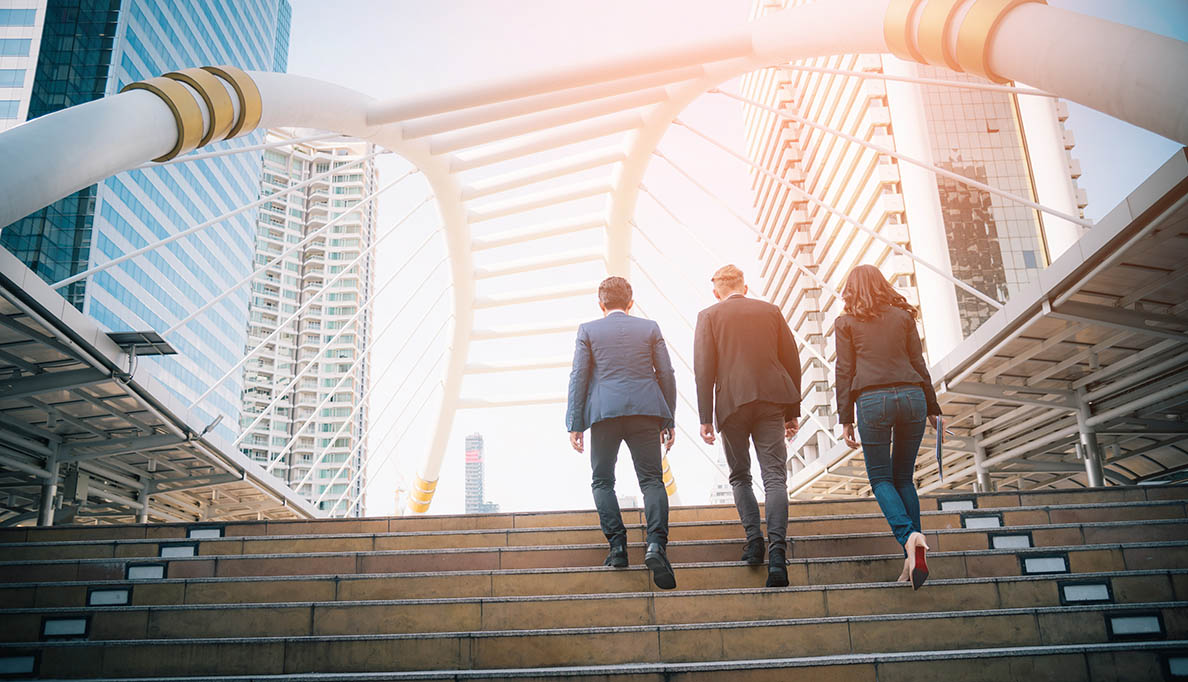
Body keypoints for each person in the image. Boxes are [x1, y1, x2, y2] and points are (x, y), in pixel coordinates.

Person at [834, 264, 942, 590]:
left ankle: (910, 538)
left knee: (881, 479)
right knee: (903, 478)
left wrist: (845, 418)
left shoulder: (845, 322)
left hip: (872, 401)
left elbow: (844, 370)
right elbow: (919, 364)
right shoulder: (903, 317)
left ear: (851, 289)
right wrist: (933, 408)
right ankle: (911, 559)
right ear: (883, 285)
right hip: (912, 397)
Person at [566, 276, 678, 590]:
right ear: (631, 302)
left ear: (600, 303)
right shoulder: (650, 328)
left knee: (602, 480)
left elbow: (579, 377)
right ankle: (656, 545)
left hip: (604, 414)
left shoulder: (588, 330)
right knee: (652, 480)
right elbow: (666, 373)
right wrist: (668, 417)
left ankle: (617, 547)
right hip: (646, 412)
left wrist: (575, 423)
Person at [694, 264, 801, 588]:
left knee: (740, 475)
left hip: (732, 404)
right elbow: (791, 359)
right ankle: (778, 555)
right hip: (771, 401)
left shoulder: (708, 316)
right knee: (774, 477)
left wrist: (705, 418)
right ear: (746, 286)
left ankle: (754, 542)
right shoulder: (770, 311)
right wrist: (791, 412)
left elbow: (704, 370)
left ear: (716, 291)